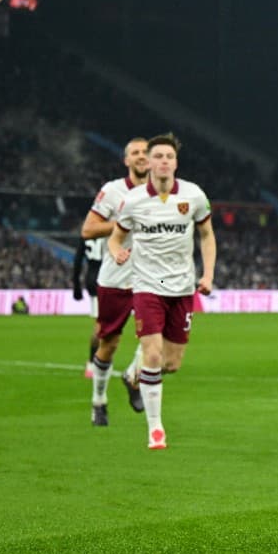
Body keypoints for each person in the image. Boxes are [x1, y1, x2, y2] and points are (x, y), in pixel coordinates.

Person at [107, 132, 216, 449]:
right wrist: (116, 251)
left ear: (175, 163)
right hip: (146, 286)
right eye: (158, 156)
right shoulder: (134, 201)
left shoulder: (194, 196)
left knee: (171, 363)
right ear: (149, 163)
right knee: (153, 354)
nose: (163, 161)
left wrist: (207, 274)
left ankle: (132, 374)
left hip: (182, 287)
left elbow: (207, 235)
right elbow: (116, 237)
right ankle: (155, 429)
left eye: (169, 156)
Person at [80, 137, 150, 426]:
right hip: (116, 277)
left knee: (156, 335)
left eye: (146, 151)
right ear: (127, 160)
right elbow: (88, 229)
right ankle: (99, 400)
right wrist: (121, 224)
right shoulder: (112, 191)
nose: (142, 156)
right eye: (135, 152)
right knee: (109, 343)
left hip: (151, 276)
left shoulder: (165, 192)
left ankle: (133, 377)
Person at [72, 236, 102, 379]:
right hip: (107, 279)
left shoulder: (87, 233)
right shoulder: (111, 229)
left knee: (101, 324)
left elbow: (77, 261)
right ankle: (93, 362)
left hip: (92, 280)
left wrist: (76, 285)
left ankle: (95, 361)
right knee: (101, 326)